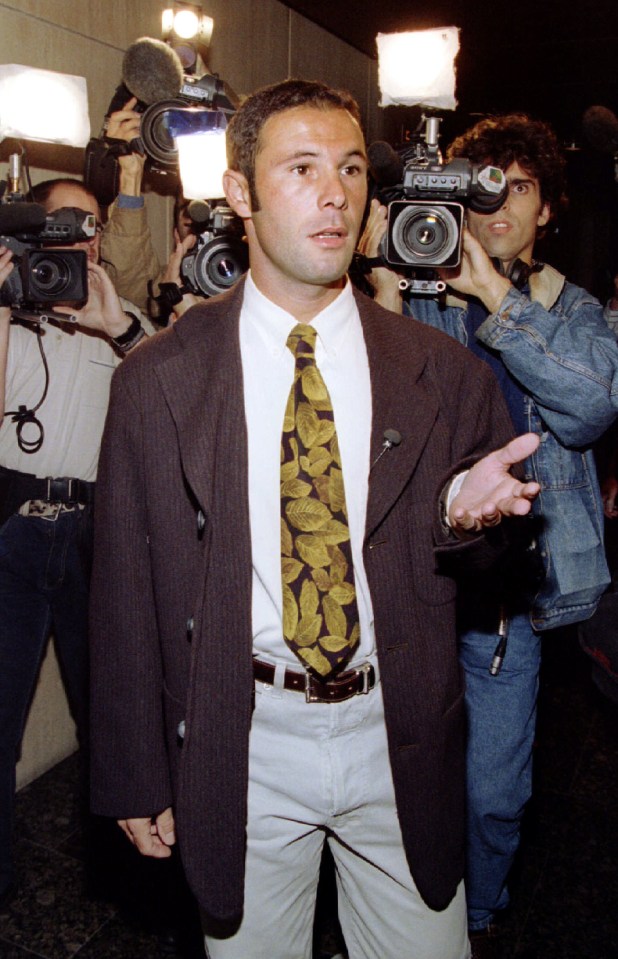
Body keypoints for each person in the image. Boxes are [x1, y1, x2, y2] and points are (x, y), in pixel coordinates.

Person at [89, 79, 543, 959]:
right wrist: (133, 768)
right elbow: (125, 586)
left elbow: (499, 561)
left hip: (396, 727)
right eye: (300, 169)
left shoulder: (441, 372)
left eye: (347, 170)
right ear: (240, 195)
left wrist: (465, 517)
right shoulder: (159, 378)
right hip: (241, 733)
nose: (335, 194)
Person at [359, 114, 618, 955]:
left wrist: (496, 297)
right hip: (420, 582)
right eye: (480, 186)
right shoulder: (418, 292)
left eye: (519, 185)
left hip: (511, 595)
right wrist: (387, 295)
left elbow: (591, 406)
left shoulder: (573, 310)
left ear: (548, 208)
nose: (496, 201)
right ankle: (410, 910)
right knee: (397, 770)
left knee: (494, 788)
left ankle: (479, 915)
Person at [0, 177, 150, 909]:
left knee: (111, 714)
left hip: (97, 534)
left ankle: (117, 881)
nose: (79, 235)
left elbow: (169, 386)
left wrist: (116, 326)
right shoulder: (12, 307)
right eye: (63, 220)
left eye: (91, 223)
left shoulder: (116, 311)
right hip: (12, 534)